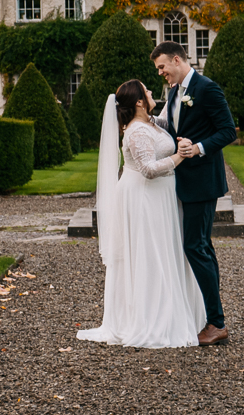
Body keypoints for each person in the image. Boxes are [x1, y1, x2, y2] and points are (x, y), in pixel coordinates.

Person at [76, 79, 207, 349]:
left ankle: (170, 311)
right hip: (143, 198)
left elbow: (169, 122)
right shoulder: (135, 131)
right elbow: (148, 168)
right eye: (146, 91)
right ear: (138, 101)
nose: (150, 93)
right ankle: (148, 318)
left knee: (163, 251)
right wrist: (181, 155)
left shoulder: (151, 123)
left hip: (160, 196)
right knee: (149, 254)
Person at [152, 39, 236, 346]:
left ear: (176, 60)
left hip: (203, 181)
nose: (161, 73)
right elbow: (171, 128)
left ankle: (216, 323)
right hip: (184, 181)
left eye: (162, 67)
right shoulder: (174, 91)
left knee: (195, 247)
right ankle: (212, 318)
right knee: (201, 246)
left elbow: (228, 130)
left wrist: (198, 148)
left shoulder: (207, 88)